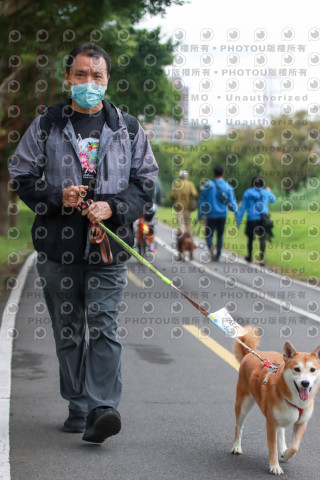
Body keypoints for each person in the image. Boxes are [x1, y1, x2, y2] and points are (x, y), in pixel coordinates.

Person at [9, 43, 158, 443]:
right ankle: (78, 405)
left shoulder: (127, 128)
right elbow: (21, 175)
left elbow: (145, 182)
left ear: (107, 81)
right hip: (57, 248)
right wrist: (58, 195)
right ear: (68, 78)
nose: (88, 83)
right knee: (69, 330)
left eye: (97, 76)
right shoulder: (46, 125)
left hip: (107, 247)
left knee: (104, 325)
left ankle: (102, 408)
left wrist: (114, 207)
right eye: (81, 75)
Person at [198, 166, 238, 261]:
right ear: (223, 173)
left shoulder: (208, 185)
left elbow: (202, 201)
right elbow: (233, 201)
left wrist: (200, 214)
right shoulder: (228, 186)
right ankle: (218, 254)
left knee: (209, 234)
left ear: (213, 173)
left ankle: (211, 245)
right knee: (220, 235)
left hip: (211, 214)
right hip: (222, 215)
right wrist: (236, 214)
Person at [237, 176, 276, 266]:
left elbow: (243, 208)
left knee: (250, 238)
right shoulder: (265, 192)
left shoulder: (247, 192)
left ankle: (249, 256)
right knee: (262, 238)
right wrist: (269, 191)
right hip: (263, 219)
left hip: (251, 219)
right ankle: (261, 259)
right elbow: (273, 199)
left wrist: (239, 221)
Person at [170, 170, 197, 234]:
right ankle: (189, 239)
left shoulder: (176, 184)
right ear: (186, 176)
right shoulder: (190, 184)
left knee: (181, 225)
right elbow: (194, 194)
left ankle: (182, 240)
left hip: (179, 208)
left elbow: (172, 196)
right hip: (187, 208)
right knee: (188, 224)